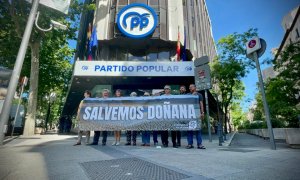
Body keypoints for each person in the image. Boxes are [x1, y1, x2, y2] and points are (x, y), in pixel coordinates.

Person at [186, 84, 206, 149]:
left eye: (191, 87)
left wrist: (202, 112)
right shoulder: (187, 95)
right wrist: (192, 96)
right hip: (189, 114)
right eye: (189, 87)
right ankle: (190, 144)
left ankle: (199, 144)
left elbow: (201, 104)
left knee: (198, 129)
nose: (190, 88)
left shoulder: (199, 95)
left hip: (197, 113)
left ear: (195, 87)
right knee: (189, 129)